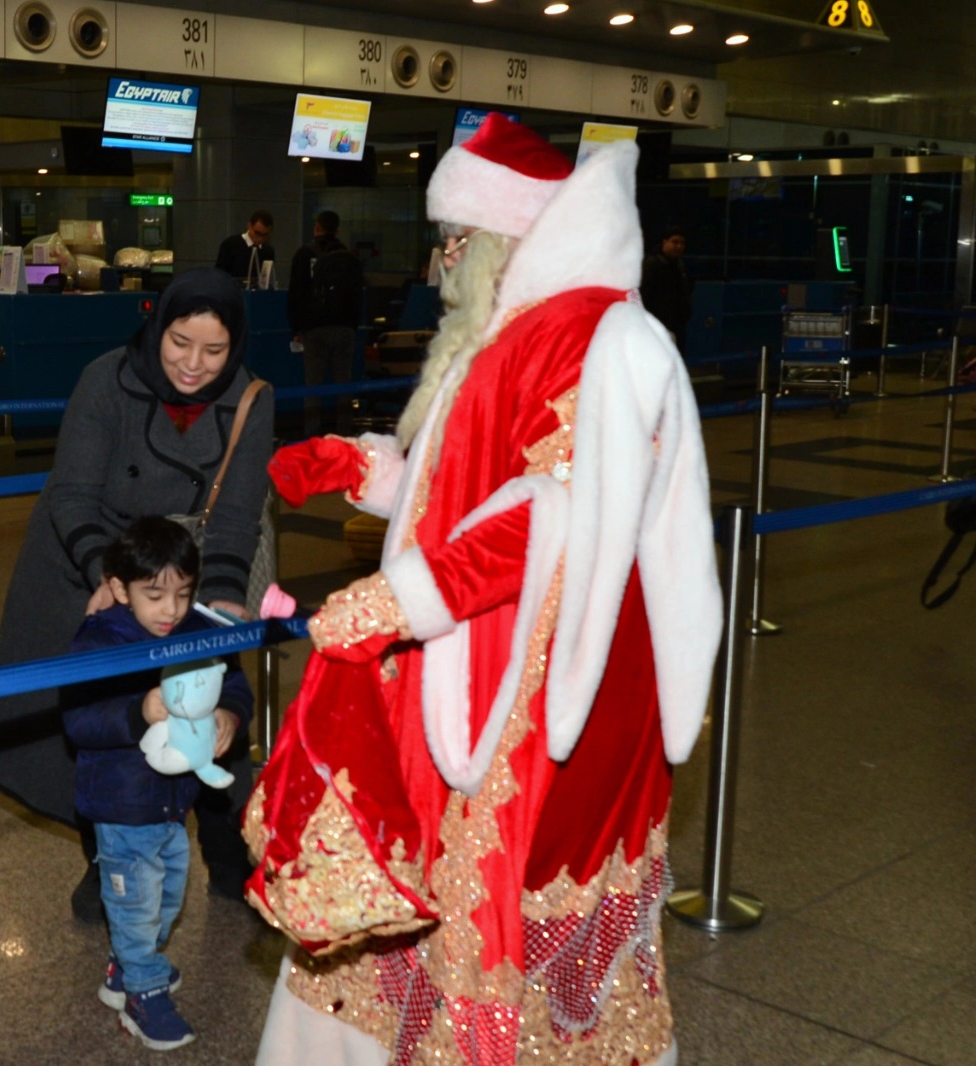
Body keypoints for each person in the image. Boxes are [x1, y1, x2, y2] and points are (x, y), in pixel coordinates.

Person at [249, 114, 722, 1064]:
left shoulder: (595, 337)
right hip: (477, 654)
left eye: (456, 242)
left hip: (537, 691)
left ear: (504, 237)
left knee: (486, 891)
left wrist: (396, 601)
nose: (442, 265)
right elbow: (468, 488)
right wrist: (367, 468)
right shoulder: (513, 331)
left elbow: (556, 514)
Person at [0, 268, 274, 917]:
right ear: (157, 327)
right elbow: (73, 494)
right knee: (104, 718)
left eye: (214, 350)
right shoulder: (107, 379)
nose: (193, 364)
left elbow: (235, 514)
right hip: (92, 559)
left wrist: (221, 598)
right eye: (179, 342)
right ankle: (107, 858)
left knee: (212, 700)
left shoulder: (251, 398)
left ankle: (233, 855)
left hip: (187, 569)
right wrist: (107, 578)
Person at [62, 517, 254, 1051]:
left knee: (167, 897)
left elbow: (234, 681)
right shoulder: (99, 641)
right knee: (136, 905)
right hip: (120, 804)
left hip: (174, 803)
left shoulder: (196, 628)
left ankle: (126, 966)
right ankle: (142, 992)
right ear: (119, 588)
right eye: (154, 595)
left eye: (183, 594)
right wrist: (136, 711)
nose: (170, 609)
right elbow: (78, 721)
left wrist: (230, 715)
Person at [287, 209, 364, 436]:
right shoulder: (349, 257)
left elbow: (296, 294)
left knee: (313, 385)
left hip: (315, 328)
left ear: (317, 227)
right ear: (337, 230)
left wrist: (297, 327)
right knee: (344, 383)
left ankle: (312, 435)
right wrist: (352, 326)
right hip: (344, 328)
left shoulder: (304, 254)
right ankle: (344, 433)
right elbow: (357, 295)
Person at [640, 226, 692, 354]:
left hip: (677, 326)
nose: (678, 246)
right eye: (675, 242)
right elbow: (644, 296)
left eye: (682, 243)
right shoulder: (652, 265)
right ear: (665, 242)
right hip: (658, 326)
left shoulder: (680, 266)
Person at [213, 210, 275, 288]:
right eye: (257, 233)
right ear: (249, 226)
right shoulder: (231, 244)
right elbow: (219, 275)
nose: (260, 238)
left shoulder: (268, 251)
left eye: (265, 235)